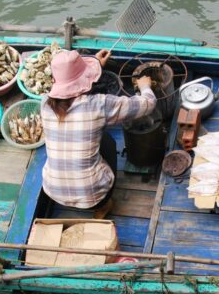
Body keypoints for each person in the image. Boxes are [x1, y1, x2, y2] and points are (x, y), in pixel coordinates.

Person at [40, 48, 156, 218]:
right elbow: (148, 103)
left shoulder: (44, 104)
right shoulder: (99, 105)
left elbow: (71, 95)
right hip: (94, 196)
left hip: (53, 190)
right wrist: (145, 86)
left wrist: (95, 64)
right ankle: (103, 206)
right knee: (108, 141)